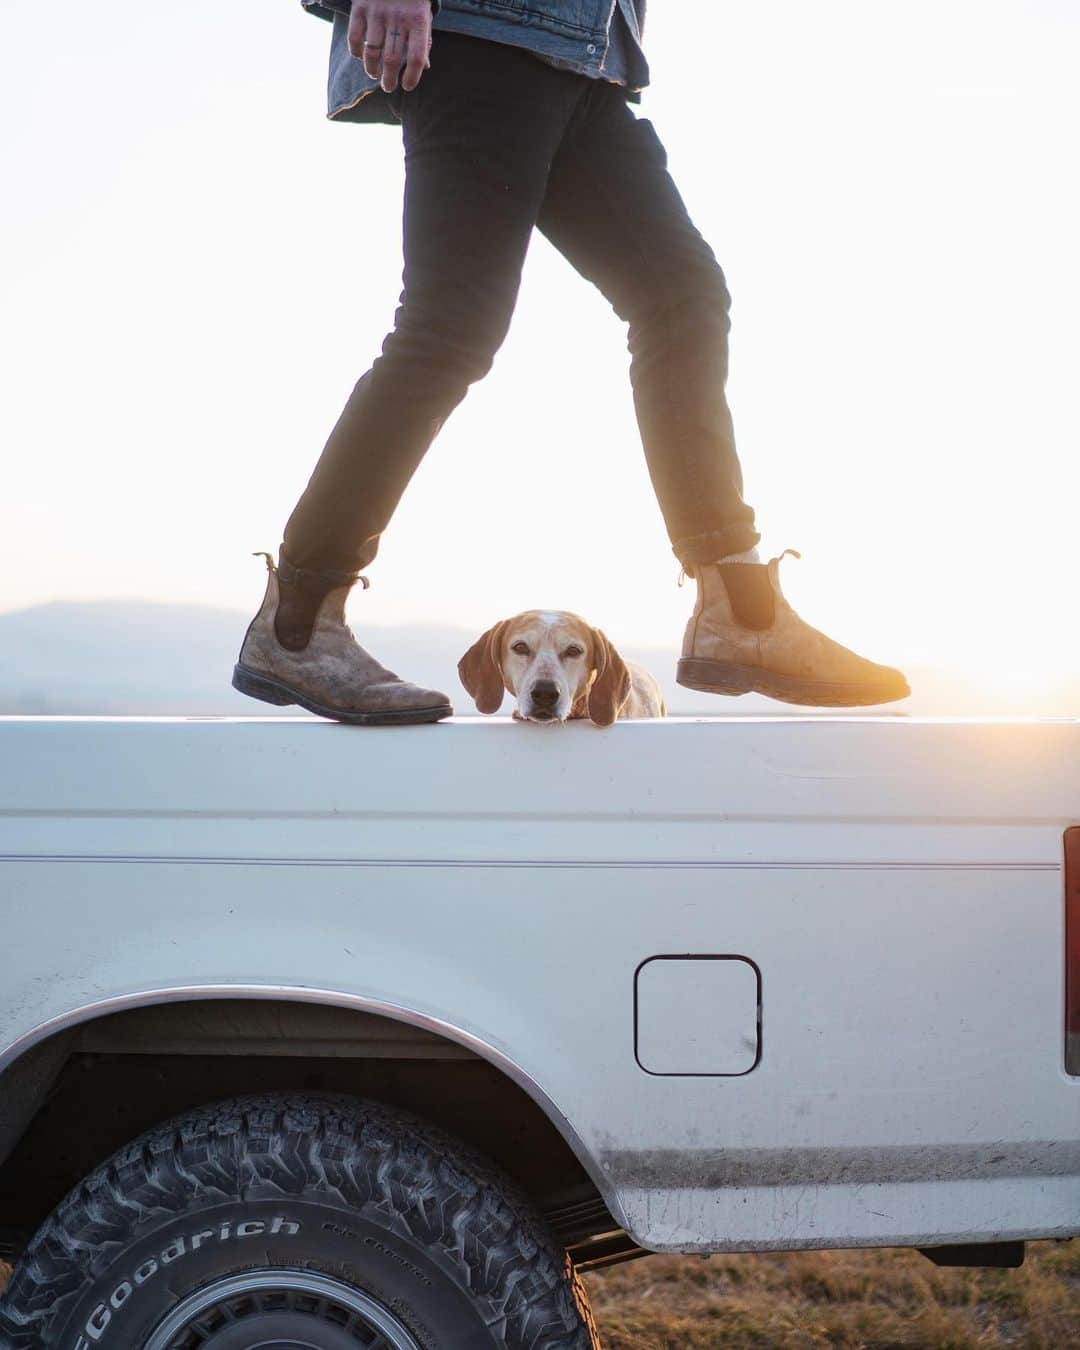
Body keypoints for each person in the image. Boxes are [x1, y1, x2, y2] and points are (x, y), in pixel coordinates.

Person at [233, 0, 909, 725]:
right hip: (485, 33)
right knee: (448, 331)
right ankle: (299, 622)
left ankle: (737, 609)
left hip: (588, 54)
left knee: (683, 298)